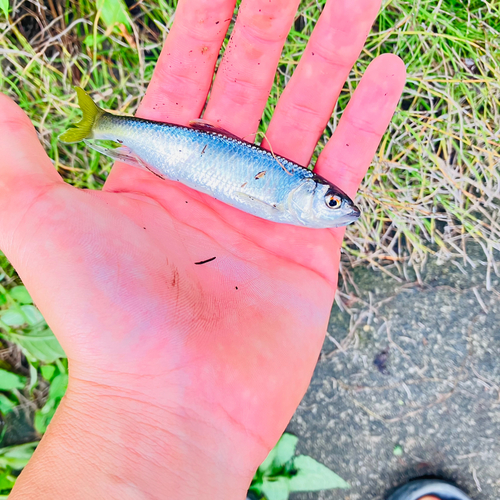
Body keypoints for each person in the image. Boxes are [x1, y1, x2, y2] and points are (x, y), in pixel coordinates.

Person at [0, 0, 470, 498]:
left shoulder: (291, 202)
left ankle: (105, 123)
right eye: (332, 200)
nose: (340, 209)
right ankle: (104, 123)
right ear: (310, 193)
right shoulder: (288, 197)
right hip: (184, 154)